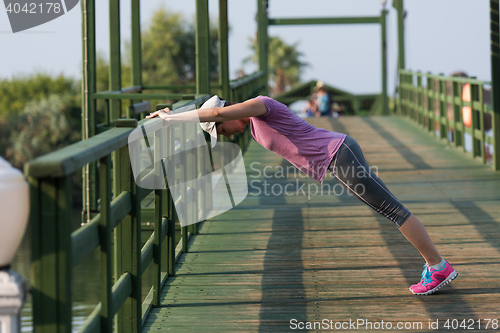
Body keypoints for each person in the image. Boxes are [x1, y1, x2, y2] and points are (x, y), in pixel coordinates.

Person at [147, 95, 458, 295]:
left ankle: (438, 265)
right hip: (338, 157)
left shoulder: (260, 104)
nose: (228, 135)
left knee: (394, 212)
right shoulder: (255, 128)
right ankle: (435, 263)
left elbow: (214, 111)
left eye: (221, 130)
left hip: (340, 154)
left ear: (223, 115)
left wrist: (171, 118)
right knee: (392, 211)